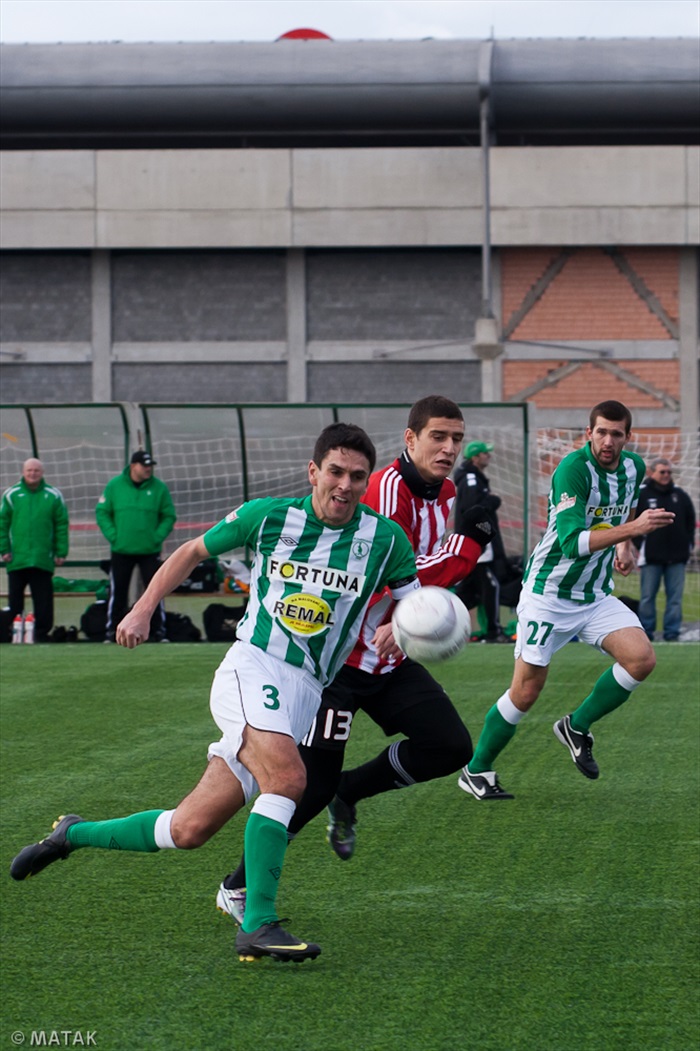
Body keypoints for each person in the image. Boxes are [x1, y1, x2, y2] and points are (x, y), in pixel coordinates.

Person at [10, 423, 421, 963]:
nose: (345, 485)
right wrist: (142, 607)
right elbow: (192, 551)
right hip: (254, 666)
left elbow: (418, 603)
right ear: (314, 471)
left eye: (358, 476)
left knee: (189, 829)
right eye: (336, 472)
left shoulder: (385, 540)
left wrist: (403, 627)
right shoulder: (269, 517)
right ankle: (257, 924)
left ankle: (72, 834)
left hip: (306, 692)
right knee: (290, 778)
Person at [216, 395, 497, 924]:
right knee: (309, 784)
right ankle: (239, 887)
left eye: (456, 438)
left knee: (450, 746)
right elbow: (374, 568)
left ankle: (352, 792)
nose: (449, 448)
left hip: (389, 661)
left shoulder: (448, 492)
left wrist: (415, 614)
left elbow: (410, 578)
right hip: (339, 666)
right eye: (438, 436)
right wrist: (464, 553)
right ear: (410, 440)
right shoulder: (385, 489)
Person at [458, 400, 676, 802]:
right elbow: (572, 544)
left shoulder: (633, 468)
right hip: (550, 595)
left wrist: (625, 544)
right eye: (601, 432)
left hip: (594, 594)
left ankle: (576, 726)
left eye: (616, 433)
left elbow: (620, 511)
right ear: (588, 433)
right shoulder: (573, 471)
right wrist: (634, 528)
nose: (608, 441)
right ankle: (476, 771)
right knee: (526, 691)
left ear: (629, 437)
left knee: (641, 659)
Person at [96, 450, 176, 643]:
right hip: (121, 549)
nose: (148, 469)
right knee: (118, 592)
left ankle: (158, 631)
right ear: (133, 466)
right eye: (144, 465)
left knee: (155, 590)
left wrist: (156, 537)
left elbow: (169, 516)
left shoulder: (159, 488)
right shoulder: (115, 486)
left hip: (150, 550)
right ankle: (113, 631)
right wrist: (114, 536)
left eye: (150, 465)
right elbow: (102, 512)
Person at [0, 458, 69, 642]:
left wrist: (61, 551)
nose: (33, 474)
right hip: (17, 559)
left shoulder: (53, 495)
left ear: (42, 472)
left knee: (44, 601)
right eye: (29, 470)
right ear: (23, 472)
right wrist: (3, 549)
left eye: (36, 470)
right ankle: (12, 632)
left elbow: (61, 524)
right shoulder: (11, 494)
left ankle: (41, 634)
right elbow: (2, 523)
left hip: (42, 558)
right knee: (14, 601)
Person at [634, 458, 696, 642]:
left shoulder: (679, 494)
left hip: (677, 557)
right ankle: (646, 632)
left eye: (669, 472)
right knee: (647, 597)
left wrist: (688, 544)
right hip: (651, 557)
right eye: (662, 472)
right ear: (651, 473)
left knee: (675, 598)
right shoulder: (642, 495)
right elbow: (631, 522)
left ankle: (672, 632)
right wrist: (639, 545)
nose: (666, 475)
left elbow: (690, 521)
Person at [453, 440, 509, 642]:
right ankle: (493, 632)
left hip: (479, 541)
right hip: (477, 541)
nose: (489, 456)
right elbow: (471, 510)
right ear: (476, 457)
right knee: (490, 585)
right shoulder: (470, 479)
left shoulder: (474, 478)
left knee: (468, 593)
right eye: (486, 453)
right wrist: (492, 501)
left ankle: (440, 622)